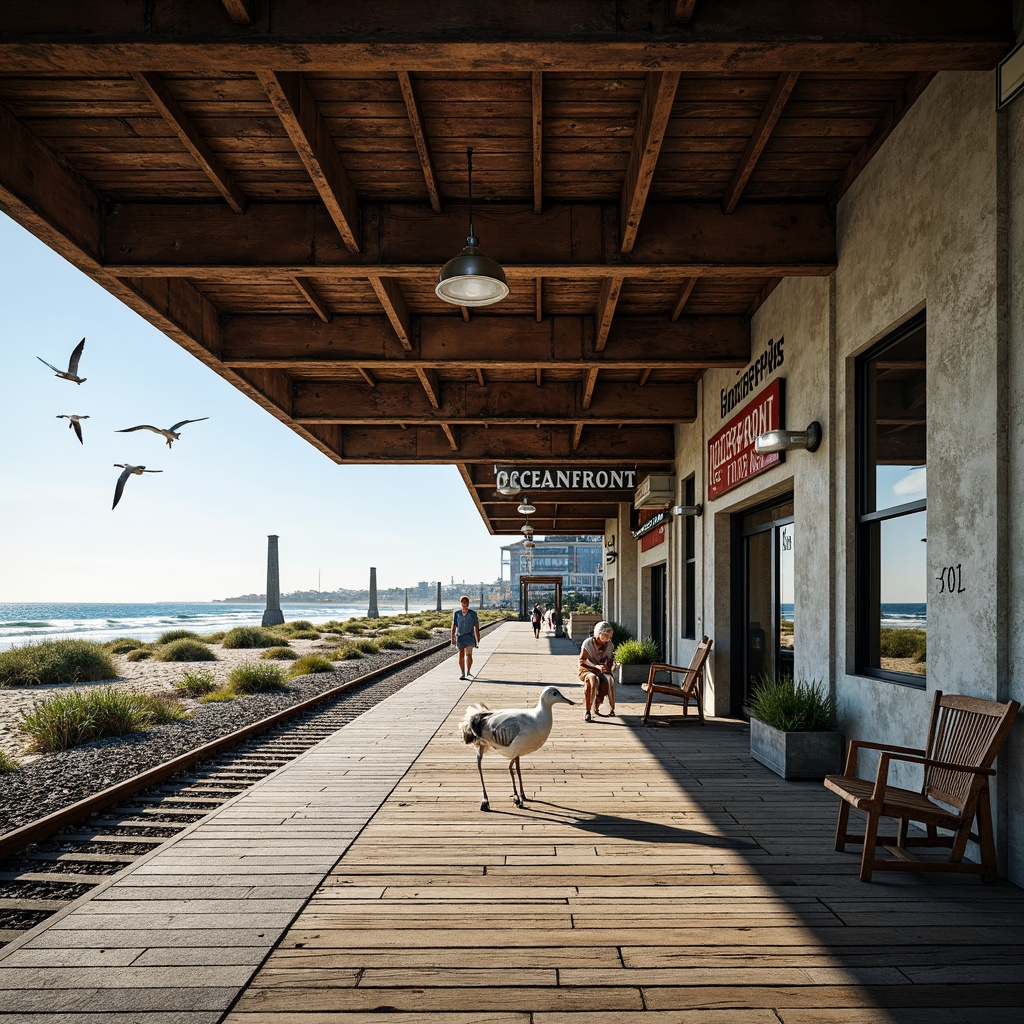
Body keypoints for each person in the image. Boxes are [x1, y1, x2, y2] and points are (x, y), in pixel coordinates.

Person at [578, 620, 616, 722]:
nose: (606, 638)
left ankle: (597, 706)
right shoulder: (588, 643)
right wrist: (595, 666)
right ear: (598, 634)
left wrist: (608, 666)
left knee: (606, 682)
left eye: (608, 636)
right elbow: (583, 660)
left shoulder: (609, 645)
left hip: (601, 671)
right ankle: (587, 710)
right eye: (604, 635)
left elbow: (611, 659)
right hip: (587, 669)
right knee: (592, 679)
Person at [452, 595, 481, 679]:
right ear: (461, 603)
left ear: (468, 603)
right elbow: (453, 626)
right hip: (460, 636)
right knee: (461, 655)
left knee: (469, 654)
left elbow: (476, 626)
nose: (465, 604)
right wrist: (452, 637)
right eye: (463, 602)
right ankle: (462, 672)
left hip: (469, 636)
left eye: (466, 602)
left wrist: (477, 638)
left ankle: (468, 670)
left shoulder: (473, 614)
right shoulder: (457, 613)